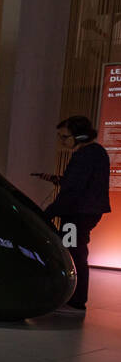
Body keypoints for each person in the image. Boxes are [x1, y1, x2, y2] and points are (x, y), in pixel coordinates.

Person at [34, 115, 112, 313]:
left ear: (80, 136)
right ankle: (75, 298)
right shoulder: (98, 152)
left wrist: (48, 213)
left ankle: (75, 299)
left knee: (73, 254)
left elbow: (73, 190)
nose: (62, 141)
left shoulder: (84, 155)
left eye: (64, 136)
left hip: (77, 213)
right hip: (86, 212)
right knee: (76, 251)